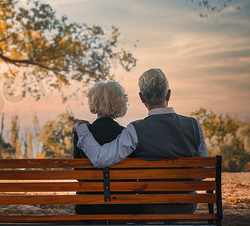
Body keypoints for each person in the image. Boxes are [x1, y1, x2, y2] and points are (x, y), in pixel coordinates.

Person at [74, 68, 208, 214]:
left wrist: (81, 129)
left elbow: (100, 158)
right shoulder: (193, 125)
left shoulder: (136, 130)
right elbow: (203, 172)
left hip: (151, 207)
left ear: (141, 97)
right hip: (186, 206)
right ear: (169, 94)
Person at [73, 81, 139, 215]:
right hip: (123, 208)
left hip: (88, 207)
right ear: (120, 104)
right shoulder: (126, 135)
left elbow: (78, 173)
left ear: (94, 103)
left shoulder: (82, 133)